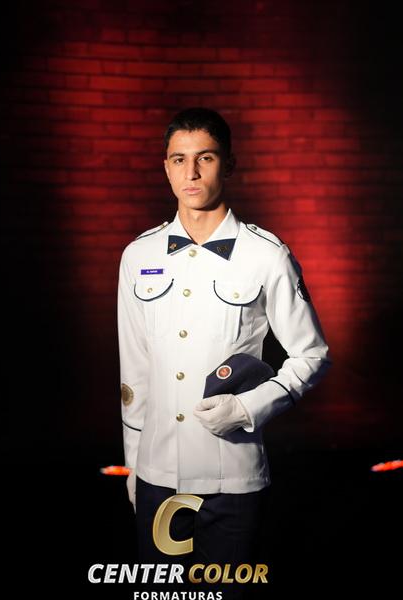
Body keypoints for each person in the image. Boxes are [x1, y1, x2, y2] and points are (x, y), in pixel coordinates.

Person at [117, 107, 331, 595]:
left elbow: (312, 355)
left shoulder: (266, 255)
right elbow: (135, 373)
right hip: (155, 476)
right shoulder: (137, 256)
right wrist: (133, 466)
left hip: (232, 479)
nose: (191, 173)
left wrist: (247, 408)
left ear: (228, 165)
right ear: (166, 167)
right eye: (179, 159)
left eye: (206, 158)